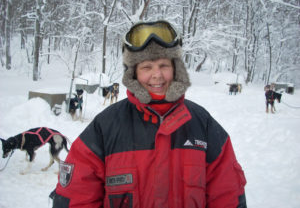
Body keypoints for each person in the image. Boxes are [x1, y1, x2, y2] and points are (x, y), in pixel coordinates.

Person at [50, 20, 247, 208]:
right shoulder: (105, 127)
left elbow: (227, 196)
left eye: (164, 65)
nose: (157, 75)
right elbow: (76, 198)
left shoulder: (203, 125)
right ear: (133, 73)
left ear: (176, 69)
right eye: (146, 67)